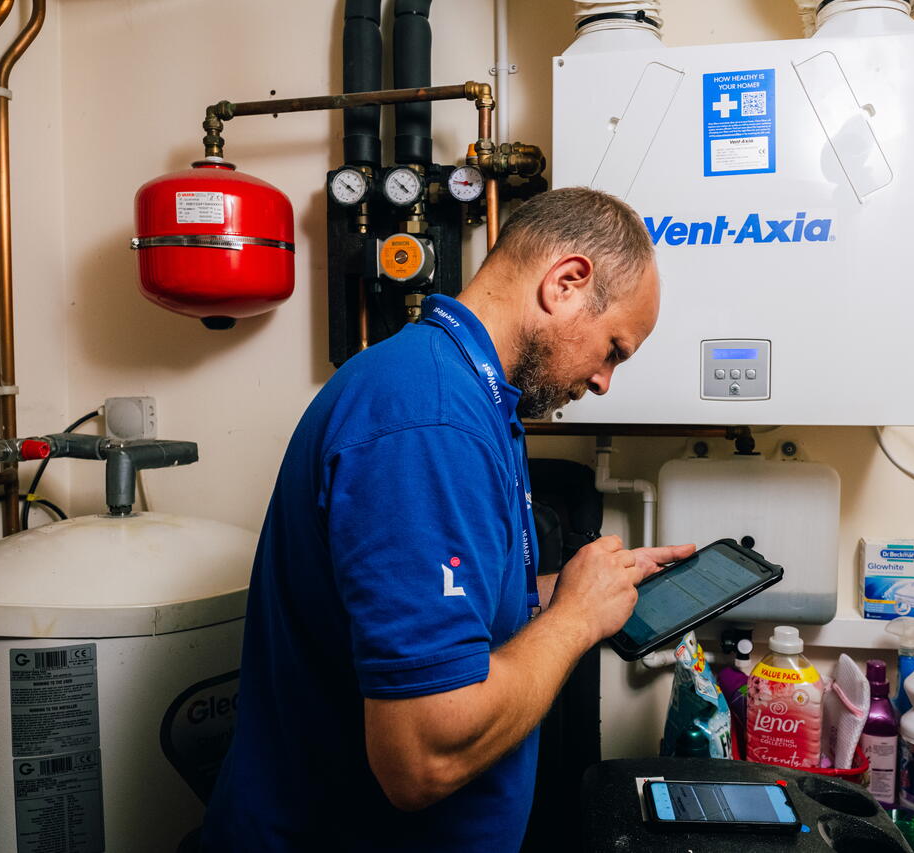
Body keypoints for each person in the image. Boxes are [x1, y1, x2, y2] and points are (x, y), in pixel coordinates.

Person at [201, 187, 694, 852]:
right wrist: (574, 620)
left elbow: (452, 613)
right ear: (567, 283)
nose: (605, 379)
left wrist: (578, 591)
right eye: (613, 348)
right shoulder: (429, 419)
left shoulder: (468, 392)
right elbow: (423, 752)